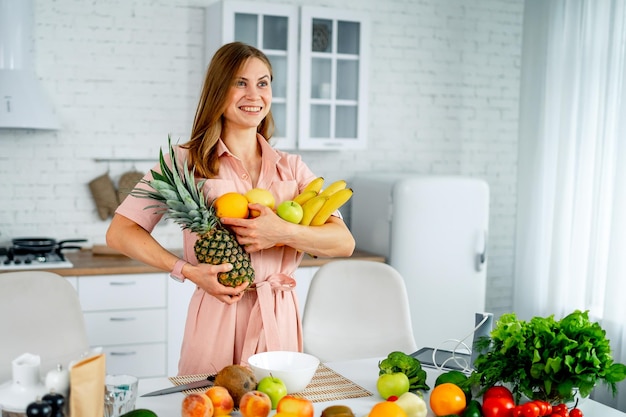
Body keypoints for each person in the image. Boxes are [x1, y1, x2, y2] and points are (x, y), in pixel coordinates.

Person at [106, 42, 355, 375]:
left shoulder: (292, 168)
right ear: (217, 90)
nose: (254, 94)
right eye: (240, 82)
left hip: (276, 319)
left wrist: (282, 232)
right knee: (209, 406)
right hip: (217, 313)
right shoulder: (184, 162)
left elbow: (343, 243)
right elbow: (120, 233)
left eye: (263, 83)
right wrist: (187, 270)